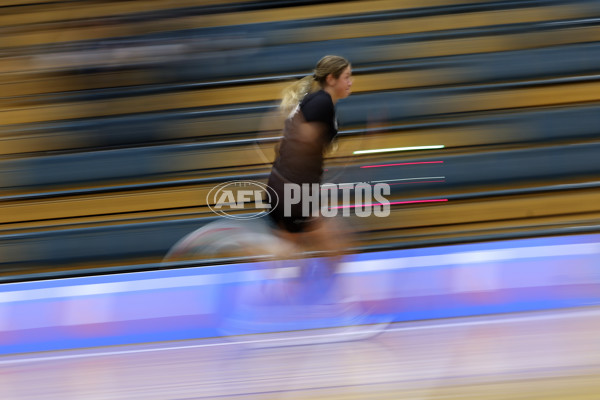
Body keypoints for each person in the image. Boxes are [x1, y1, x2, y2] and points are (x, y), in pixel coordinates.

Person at [265, 55, 354, 265]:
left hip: (284, 188)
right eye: (347, 77)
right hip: (293, 193)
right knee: (337, 250)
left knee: (291, 257)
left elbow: (290, 139)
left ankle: (273, 286)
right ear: (331, 79)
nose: (350, 82)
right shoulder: (322, 103)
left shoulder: (316, 101)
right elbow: (304, 138)